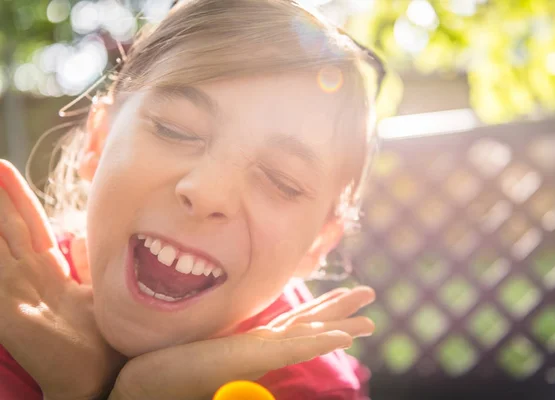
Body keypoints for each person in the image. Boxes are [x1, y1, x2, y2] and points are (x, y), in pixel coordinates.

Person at [0, 0, 381, 398]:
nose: (206, 192)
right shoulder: (13, 303)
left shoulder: (309, 389)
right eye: (175, 130)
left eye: (281, 181)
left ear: (318, 243)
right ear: (97, 141)